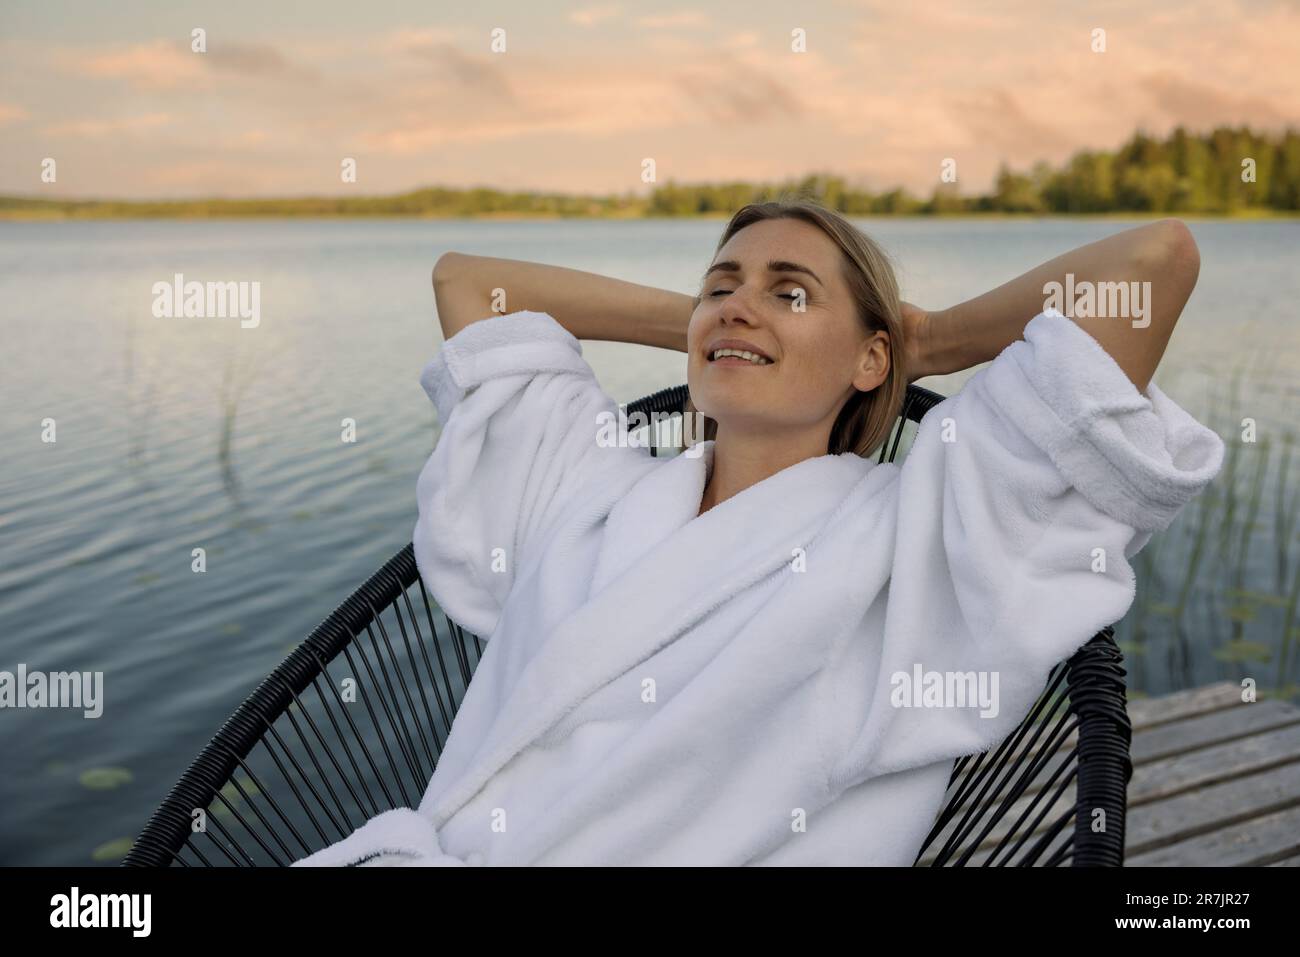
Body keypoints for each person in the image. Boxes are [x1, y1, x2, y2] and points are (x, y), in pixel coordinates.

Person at [292, 199, 1224, 866]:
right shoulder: (593, 487)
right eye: (720, 283)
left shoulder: (916, 542)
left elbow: (1154, 263)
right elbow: (468, 283)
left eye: (791, 291)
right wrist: (723, 326)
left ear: (871, 357)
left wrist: (924, 344)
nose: (739, 300)